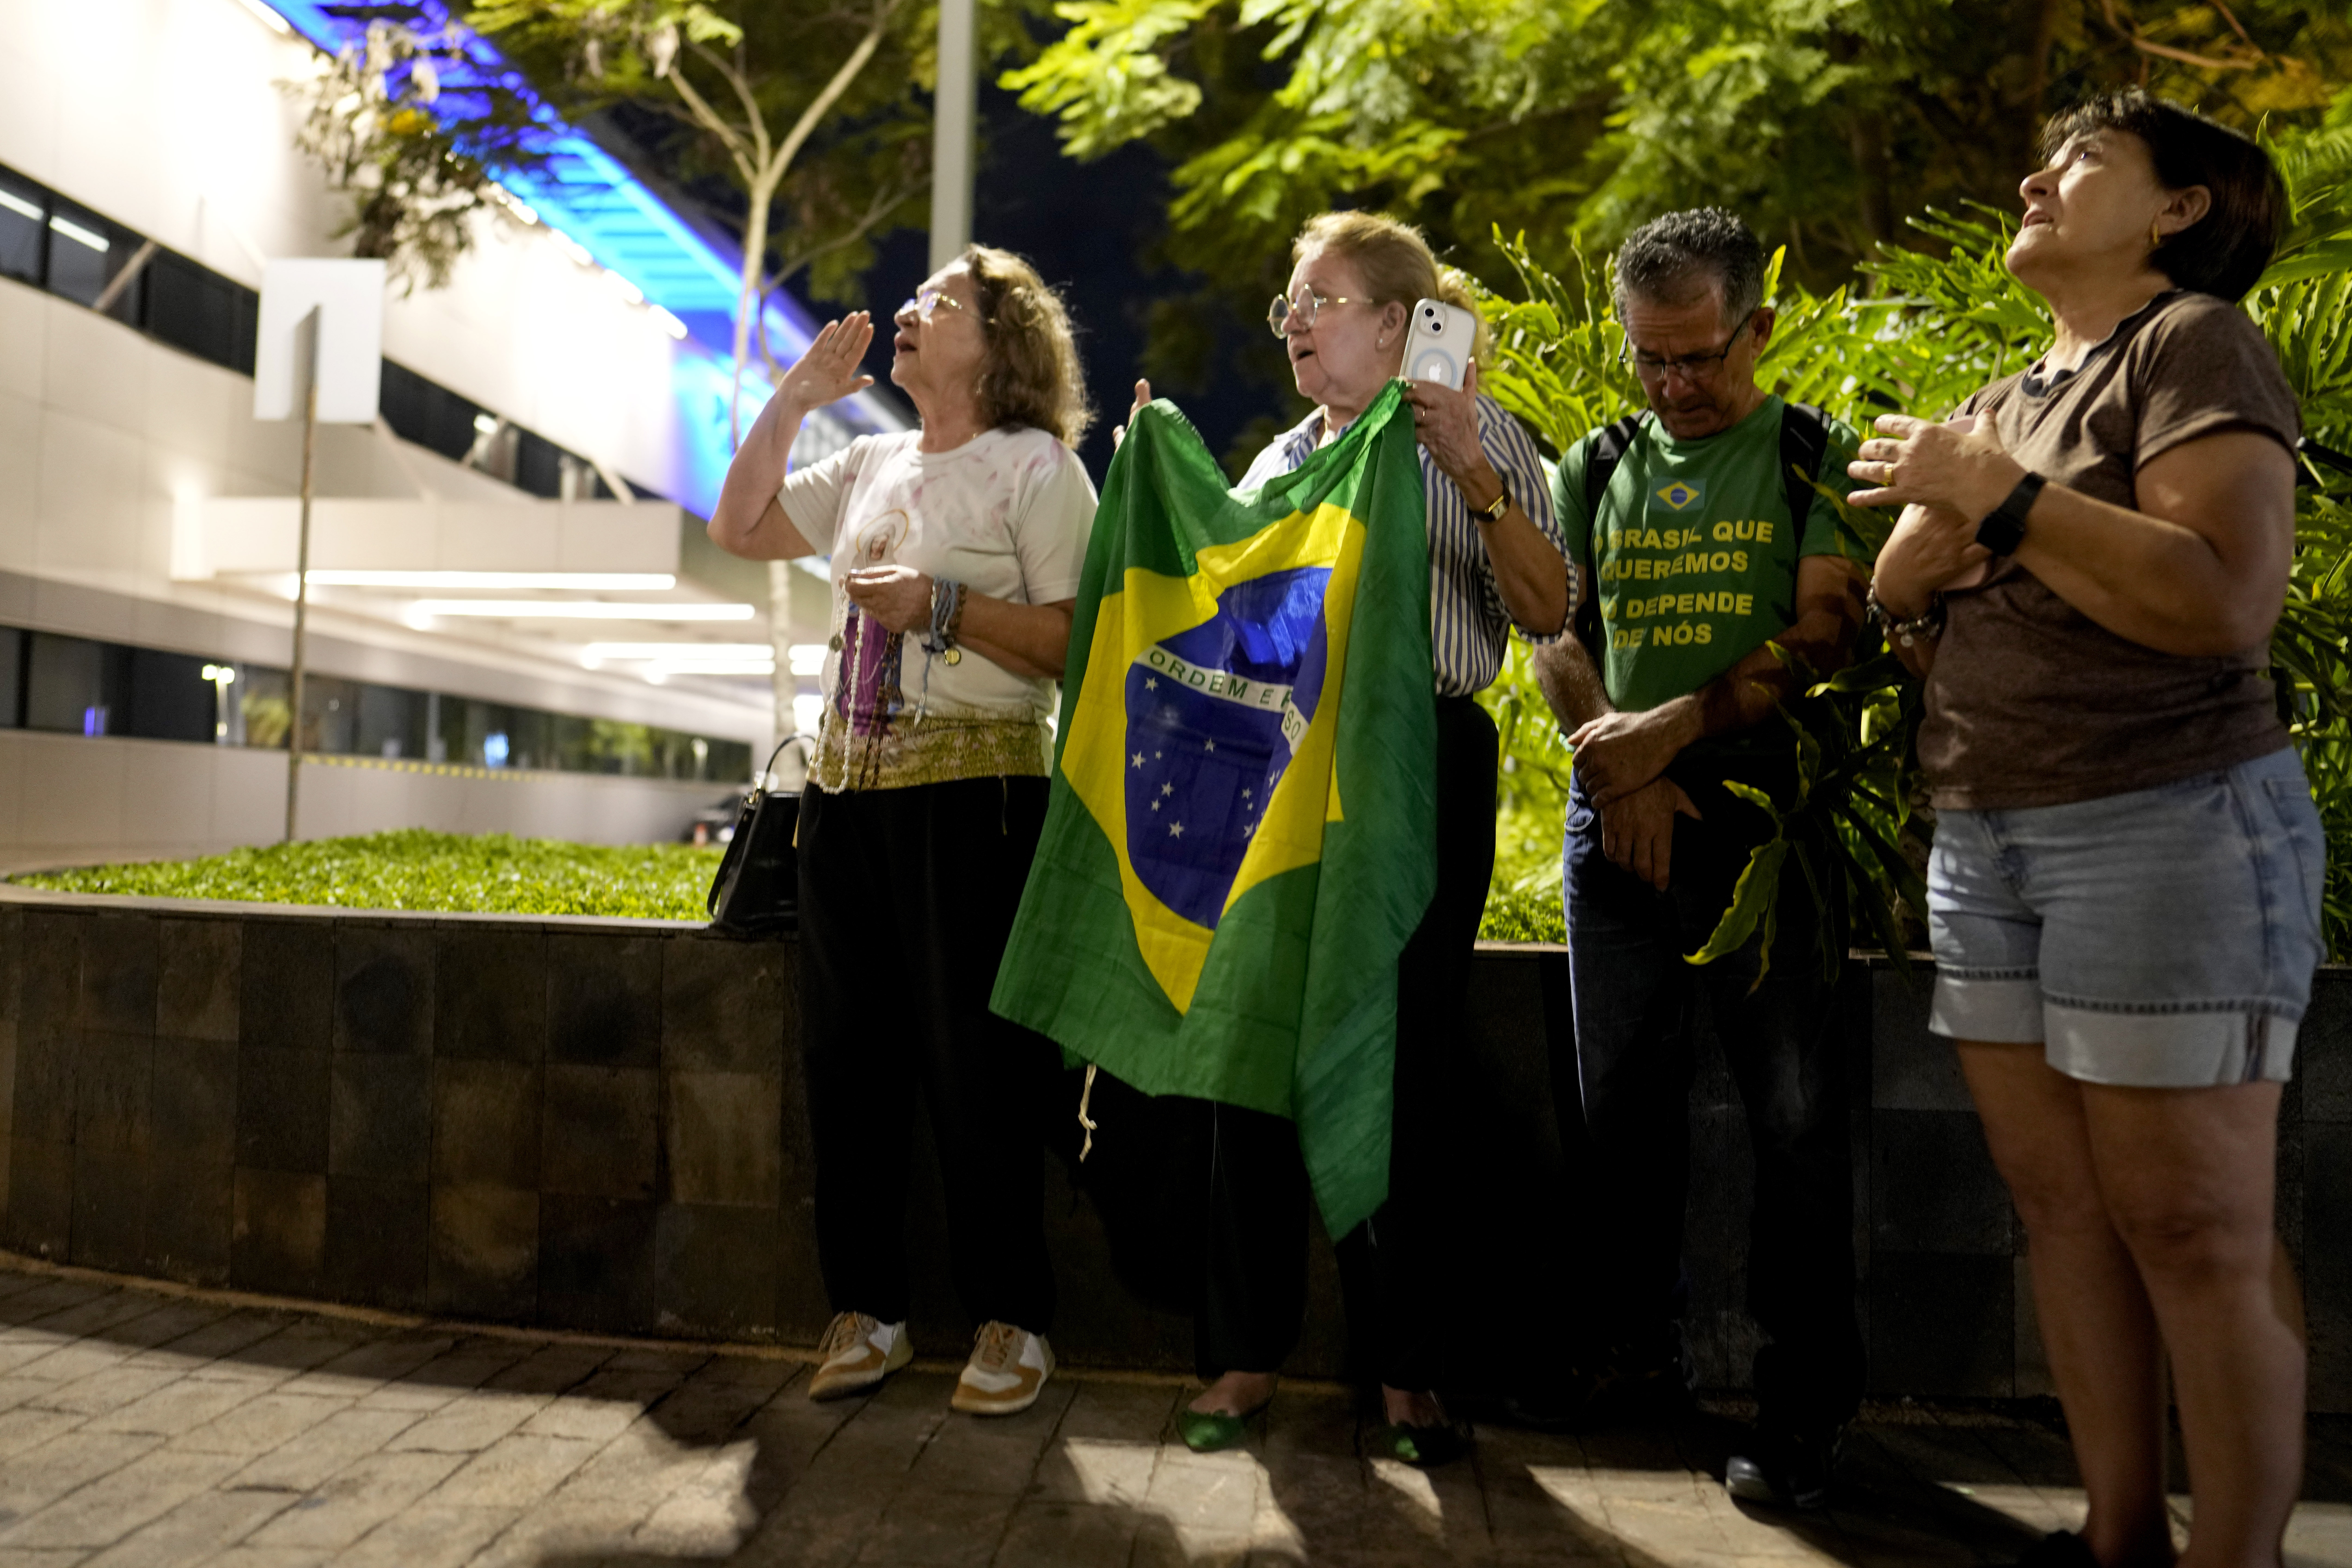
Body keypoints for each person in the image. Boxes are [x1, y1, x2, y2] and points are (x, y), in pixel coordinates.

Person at [1854, 91, 2314, 1568]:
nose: (2033, 176)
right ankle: (2118, 1537)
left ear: (2181, 208)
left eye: (2082, 161)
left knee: (2192, 1228)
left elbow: (2219, 599)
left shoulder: (2191, 344)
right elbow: (1896, 593)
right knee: (2062, 1212)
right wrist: (1958, 546)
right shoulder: (2007, 392)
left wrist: (1993, 509)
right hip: (1987, 831)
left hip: (2167, 823)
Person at [1122, 210, 1571, 1464]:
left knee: (1404, 1063)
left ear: (1398, 323)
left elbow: (1546, 611)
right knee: (1250, 1058)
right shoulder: (1279, 464)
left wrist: (1478, 478)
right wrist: (1162, 488)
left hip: (1421, 763)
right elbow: (1220, 617)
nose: (1295, 328)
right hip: (1281, 774)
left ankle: (1409, 1375)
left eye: (1316, 301)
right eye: (1288, 308)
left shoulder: (1477, 448)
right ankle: (1242, 1355)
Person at [706, 245, 1098, 1417]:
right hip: (845, 801)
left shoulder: (1038, 468)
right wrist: (794, 400)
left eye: (943, 303)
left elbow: (1081, 645)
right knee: (848, 1065)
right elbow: (739, 526)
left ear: (1003, 344)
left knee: (979, 1070)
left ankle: (1013, 1321)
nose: (912, 313)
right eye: (919, 298)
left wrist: (942, 608)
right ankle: (866, 1312)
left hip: (977, 800)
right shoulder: (869, 458)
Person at [1527, 207, 1874, 1507]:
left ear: (1758, 332)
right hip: (1620, 801)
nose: (1674, 387)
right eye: (1650, 360)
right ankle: (1630, 1358)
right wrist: (1624, 758)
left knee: (1793, 1116)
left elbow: (1825, 634)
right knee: (1616, 1103)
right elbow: (1556, 625)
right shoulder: (1598, 459)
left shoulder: (1811, 458)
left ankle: (1805, 1402)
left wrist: (1676, 731)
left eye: (1699, 358)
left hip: (1762, 814)